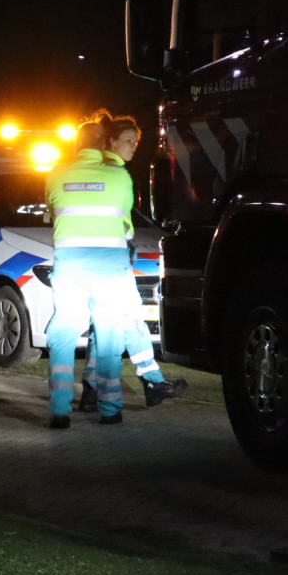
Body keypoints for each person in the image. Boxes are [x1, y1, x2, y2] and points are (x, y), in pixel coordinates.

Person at [76, 116, 188, 411]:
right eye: (129, 140)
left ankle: (92, 386)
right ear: (111, 142)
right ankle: (151, 381)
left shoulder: (93, 170)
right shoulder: (113, 172)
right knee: (132, 322)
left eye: (137, 141)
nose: (134, 147)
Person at [42, 114, 142, 428]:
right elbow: (126, 223)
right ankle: (110, 410)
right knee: (109, 336)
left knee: (63, 333)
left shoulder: (55, 175)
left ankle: (60, 409)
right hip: (109, 269)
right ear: (104, 145)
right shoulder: (120, 178)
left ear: (75, 146)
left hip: (70, 266)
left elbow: (51, 213)